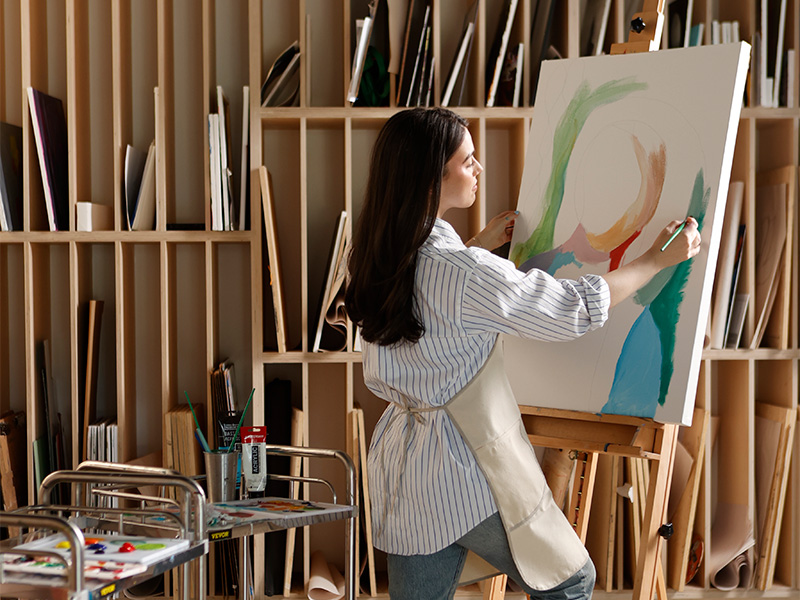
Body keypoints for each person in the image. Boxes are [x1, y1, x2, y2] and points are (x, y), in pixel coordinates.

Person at [344, 107, 700, 600]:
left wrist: (479, 246)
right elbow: (570, 308)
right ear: (433, 177)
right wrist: (656, 260)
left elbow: (429, 314)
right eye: (468, 161)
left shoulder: (377, 256)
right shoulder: (462, 272)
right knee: (571, 581)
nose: (479, 169)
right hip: (465, 475)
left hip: (404, 480)